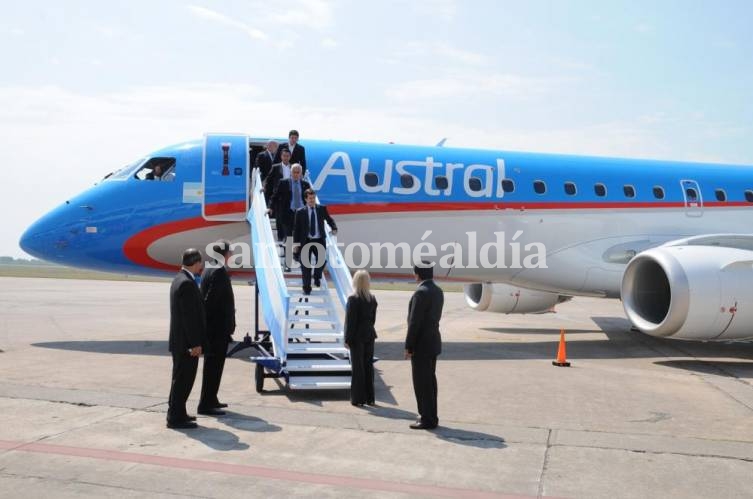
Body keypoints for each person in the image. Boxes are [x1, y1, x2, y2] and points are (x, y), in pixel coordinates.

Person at [167, 248, 206, 429]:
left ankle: (179, 413)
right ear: (196, 263)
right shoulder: (187, 284)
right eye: (200, 263)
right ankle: (175, 418)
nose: (201, 266)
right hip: (186, 344)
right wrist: (195, 344)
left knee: (180, 379)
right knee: (183, 380)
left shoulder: (179, 279)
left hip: (180, 342)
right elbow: (189, 318)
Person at [197, 241, 236, 416]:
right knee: (214, 367)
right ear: (224, 254)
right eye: (230, 252)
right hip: (217, 330)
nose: (231, 255)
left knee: (212, 366)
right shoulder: (219, 272)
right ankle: (206, 404)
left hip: (212, 329)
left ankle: (212, 399)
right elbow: (211, 302)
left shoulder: (208, 269)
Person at [404, 261, 443, 430]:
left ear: (417, 274)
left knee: (421, 383)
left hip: (421, 345)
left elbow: (415, 323)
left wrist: (409, 346)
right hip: (433, 342)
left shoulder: (421, 293)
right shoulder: (438, 291)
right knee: (430, 382)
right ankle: (432, 416)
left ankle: (426, 418)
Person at [293, 189, 337, 295]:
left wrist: (334, 227)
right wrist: (296, 244)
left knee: (321, 261)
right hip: (306, 241)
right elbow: (296, 229)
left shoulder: (321, 209)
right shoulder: (300, 212)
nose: (312, 200)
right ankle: (306, 288)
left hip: (319, 239)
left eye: (313, 198)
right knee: (305, 266)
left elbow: (329, 219)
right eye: (310, 198)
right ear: (305, 199)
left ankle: (317, 276)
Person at [344, 270, 378, 407]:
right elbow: (373, 319)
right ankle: (370, 397)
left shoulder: (353, 299)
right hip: (370, 334)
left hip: (357, 337)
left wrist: (347, 338)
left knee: (358, 368)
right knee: (368, 366)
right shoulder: (372, 299)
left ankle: (358, 398)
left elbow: (350, 322)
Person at [268, 164, 310, 242]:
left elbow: (310, 198)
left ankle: (298, 253)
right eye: (294, 172)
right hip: (288, 212)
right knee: (288, 236)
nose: (296, 174)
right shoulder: (284, 183)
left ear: (301, 174)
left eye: (298, 172)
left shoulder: (305, 184)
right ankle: (288, 253)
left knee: (301, 235)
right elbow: (275, 196)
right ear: (291, 173)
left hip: (302, 212)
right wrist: (270, 207)